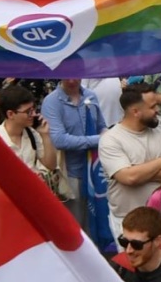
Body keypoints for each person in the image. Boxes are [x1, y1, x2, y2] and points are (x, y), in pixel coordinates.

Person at [39, 77, 112, 250]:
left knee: (98, 220)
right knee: (77, 228)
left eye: (75, 75)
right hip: (72, 174)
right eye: (67, 76)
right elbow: (60, 140)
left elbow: (102, 125)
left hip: (96, 173)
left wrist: (107, 136)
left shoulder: (91, 96)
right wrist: (99, 140)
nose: (72, 81)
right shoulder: (51, 102)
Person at [97, 82, 161, 226]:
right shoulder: (110, 140)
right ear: (135, 111)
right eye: (152, 107)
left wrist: (137, 171)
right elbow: (129, 177)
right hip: (127, 221)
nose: (158, 110)